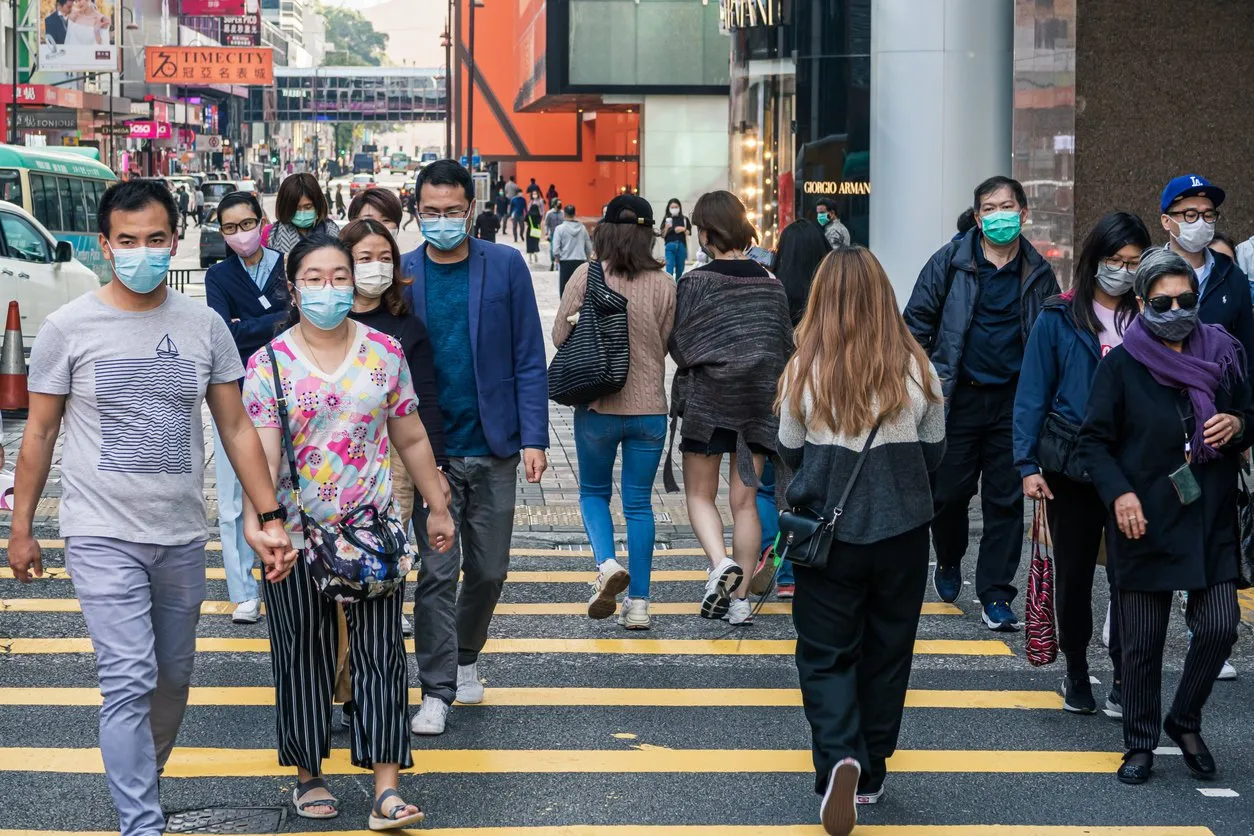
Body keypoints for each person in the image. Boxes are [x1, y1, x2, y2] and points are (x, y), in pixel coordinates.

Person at [6, 180, 293, 836]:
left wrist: (268, 515)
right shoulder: (67, 328)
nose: (142, 252)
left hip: (179, 534)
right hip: (100, 533)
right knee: (130, 676)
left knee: (172, 679)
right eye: (127, 241)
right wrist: (21, 529)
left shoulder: (203, 326)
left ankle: (143, 773)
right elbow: (41, 434)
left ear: (175, 240)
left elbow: (238, 428)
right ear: (105, 246)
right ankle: (141, 822)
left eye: (155, 240)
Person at [241, 235, 454, 826]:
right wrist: (265, 525)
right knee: (301, 654)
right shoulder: (269, 363)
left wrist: (437, 506)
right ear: (293, 286)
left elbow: (409, 435)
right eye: (315, 277)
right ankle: (309, 775)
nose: (329, 288)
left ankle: (387, 786)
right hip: (295, 538)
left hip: (372, 533)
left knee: (381, 655)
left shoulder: (384, 351)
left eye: (340, 276)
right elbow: (261, 454)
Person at [780, 247, 945, 833]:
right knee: (887, 651)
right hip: (903, 534)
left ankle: (838, 757)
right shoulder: (917, 368)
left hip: (830, 536)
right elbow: (934, 454)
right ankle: (870, 773)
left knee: (825, 655)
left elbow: (791, 454)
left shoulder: (804, 368)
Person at [1076, 247, 1250, 785]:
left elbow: (1249, 411)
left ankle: (1185, 719)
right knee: (1142, 643)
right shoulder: (1122, 364)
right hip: (1143, 518)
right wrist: (1120, 496)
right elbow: (1093, 445)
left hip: (1209, 514)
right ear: (1142, 301)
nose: (1176, 309)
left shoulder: (1222, 353)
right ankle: (1140, 742)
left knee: (1221, 626)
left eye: (1185, 299)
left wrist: (1237, 425)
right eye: (1162, 300)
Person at [400, 160, 549, 735]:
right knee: (438, 572)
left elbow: (528, 357)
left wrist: (534, 437)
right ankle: (435, 690)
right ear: (418, 212)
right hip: (428, 450)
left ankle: (465, 655)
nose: (443, 221)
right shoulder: (404, 273)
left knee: (488, 571)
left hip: (495, 446)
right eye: (431, 212)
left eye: (453, 211)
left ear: (471, 209)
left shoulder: (505, 265)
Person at [904, 175, 1060, 630]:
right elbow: (915, 324)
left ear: (1024, 213)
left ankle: (996, 593)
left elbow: (1051, 336)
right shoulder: (949, 262)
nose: (999, 216)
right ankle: (949, 559)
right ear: (977, 217)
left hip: (1014, 403)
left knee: (1006, 501)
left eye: (1007, 206)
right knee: (948, 495)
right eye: (989, 208)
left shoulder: (1038, 271)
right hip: (957, 400)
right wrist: (924, 381)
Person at [1013, 211, 1149, 716]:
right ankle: (1075, 670)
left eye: (1134, 261)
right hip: (1069, 467)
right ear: (1094, 261)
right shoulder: (1060, 316)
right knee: (1073, 576)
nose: (1123, 270)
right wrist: (1027, 465)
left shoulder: (1151, 316)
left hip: (1133, 467)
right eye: (1114, 260)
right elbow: (1031, 395)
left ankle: (1123, 674)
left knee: (1129, 578)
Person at [667, 190, 793, 626]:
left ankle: (720, 564)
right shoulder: (771, 284)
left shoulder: (696, 283)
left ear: (706, 232)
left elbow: (680, 346)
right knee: (745, 503)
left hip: (708, 404)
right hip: (757, 406)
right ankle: (739, 601)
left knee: (700, 495)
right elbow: (783, 346)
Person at [552, 195, 675, 629]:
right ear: (648, 235)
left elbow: (559, 337)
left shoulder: (588, 276)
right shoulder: (665, 284)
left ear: (602, 231)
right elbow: (665, 343)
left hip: (599, 405)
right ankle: (639, 604)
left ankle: (605, 564)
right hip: (650, 412)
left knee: (594, 492)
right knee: (640, 504)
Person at [205, 190, 296, 625]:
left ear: (262, 221)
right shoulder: (218, 276)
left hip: (291, 392)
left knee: (288, 487)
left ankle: (290, 568)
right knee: (233, 498)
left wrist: (254, 325)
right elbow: (223, 333)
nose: (240, 234)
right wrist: (274, 321)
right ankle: (243, 590)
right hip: (235, 396)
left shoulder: (286, 266)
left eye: (247, 224)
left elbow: (297, 319)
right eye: (229, 227)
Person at [751, 218, 832, 600]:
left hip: (771, 395)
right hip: (817, 397)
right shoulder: (829, 295)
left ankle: (775, 561)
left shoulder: (770, 289)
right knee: (808, 484)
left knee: (766, 488)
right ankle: (801, 566)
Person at [1159, 174, 1254, 363]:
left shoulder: (1232, 275)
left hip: (1221, 388)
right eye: (1191, 215)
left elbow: (1247, 354)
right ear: (1166, 221)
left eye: (1208, 215)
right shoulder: (1148, 275)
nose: (1201, 223)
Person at [270, 173, 339, 254]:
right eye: (296, 208)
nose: (302, 213)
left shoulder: (332, 231)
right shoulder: (271, 234)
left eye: (308, 207)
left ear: (317, 205)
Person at [553, 205, 592, 297]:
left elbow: (556, 247)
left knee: (565, 287)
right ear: (575, 214)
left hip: (565, 261)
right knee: (581, 287)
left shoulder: (559, 229)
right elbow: (589, 246)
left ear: (564, 214)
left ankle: (565, 308)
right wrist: (587, 259)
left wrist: (556, 257)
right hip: (580, 261)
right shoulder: (582, 228)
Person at [662, 198, 690, 280]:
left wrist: (683, 229)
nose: (674, 209)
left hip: (681, 245)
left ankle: (678, 289)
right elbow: (662, 235)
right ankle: (669, 288)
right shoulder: (666, 218)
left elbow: (689, 232)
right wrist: (666, 228)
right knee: (669, 269)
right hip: (670, 246)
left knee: (680, 270)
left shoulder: (684, 219)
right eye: (672, 207)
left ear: (679, 207)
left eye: (676, 207)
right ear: (669, 208)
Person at [544, 200, 563, 269]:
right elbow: (546, 224)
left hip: (562, 235)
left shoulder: (562, 213)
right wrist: (546, 233)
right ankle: (552, 263)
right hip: (553, 234)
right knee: (553, 249)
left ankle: (558, 264)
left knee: (560, 249)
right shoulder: (549, 213)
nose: (560, 205)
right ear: (554, 205)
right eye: (559, 204)